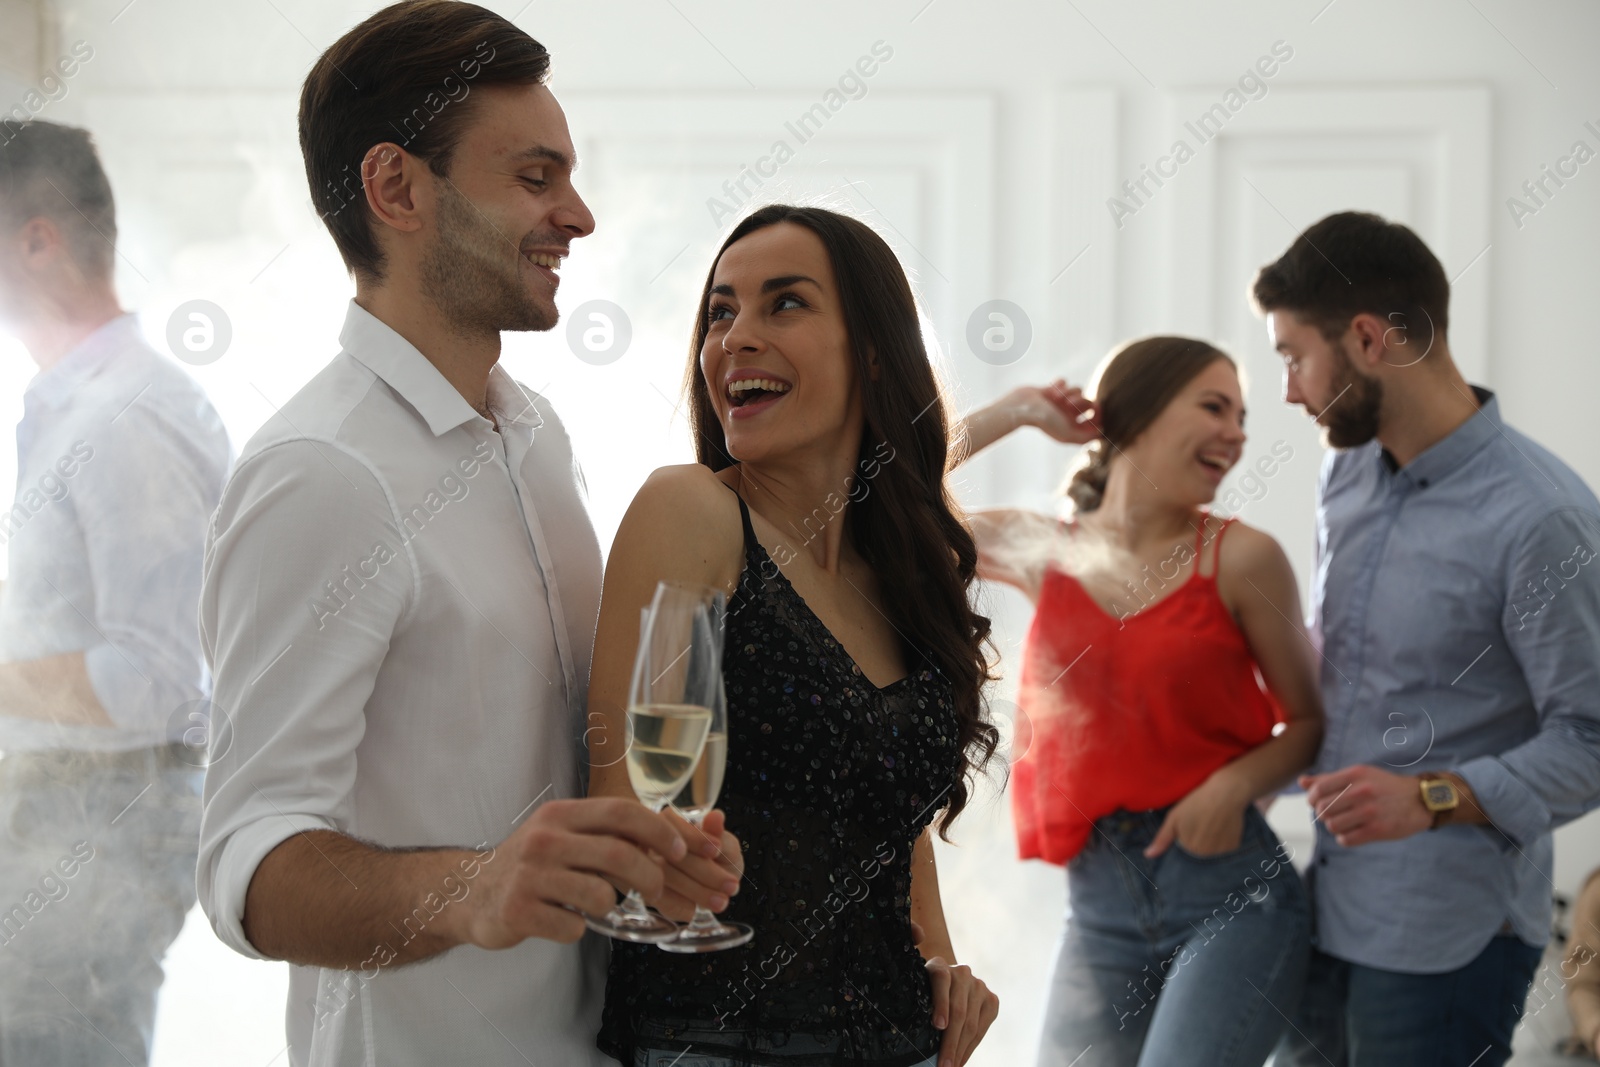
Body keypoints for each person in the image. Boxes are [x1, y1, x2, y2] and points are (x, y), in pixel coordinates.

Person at [195, 5, 738, 1064]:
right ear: (398, 189)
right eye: (535, 178)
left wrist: (650, 857)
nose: (576, 215)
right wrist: (472, 885)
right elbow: (244, 866)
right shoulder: (320, 474)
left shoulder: (537, 436)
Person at [590, 204, 1000, 1067]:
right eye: (719, 311)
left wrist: (940, 962)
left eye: (785, 304)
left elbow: (892, 820)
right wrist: (667, 867)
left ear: (877, 352)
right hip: (713, 1042)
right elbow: (624, 801)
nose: (736, 336)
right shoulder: (691, 511)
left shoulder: (904, 577)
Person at [1255, 211, 1600, 1067]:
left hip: (1448, 938)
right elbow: (1352, 658)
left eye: (1295, 357)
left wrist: (1433, 794)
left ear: (1369, 339)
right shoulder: (1348, 474)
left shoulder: (1544, 520)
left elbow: (1592, 738)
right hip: (1328, 901)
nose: (1290, 390)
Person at [958, 336, 1324, 1067]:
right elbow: (878, 497)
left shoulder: (1244, 559)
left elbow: (1309, 720)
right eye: (1214, 406)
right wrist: (1015, 411)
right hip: (1101, 906)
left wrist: (1235, 784)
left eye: (1243, 416)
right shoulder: (1046, 547)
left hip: (1232, 897)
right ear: (1139, 411)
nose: (1239, 433)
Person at [0, 119, 230, 1063]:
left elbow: (157, 678)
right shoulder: (70, 405)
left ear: (37, 239)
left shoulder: (128, 417)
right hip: (58, 824)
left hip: (96, 833)